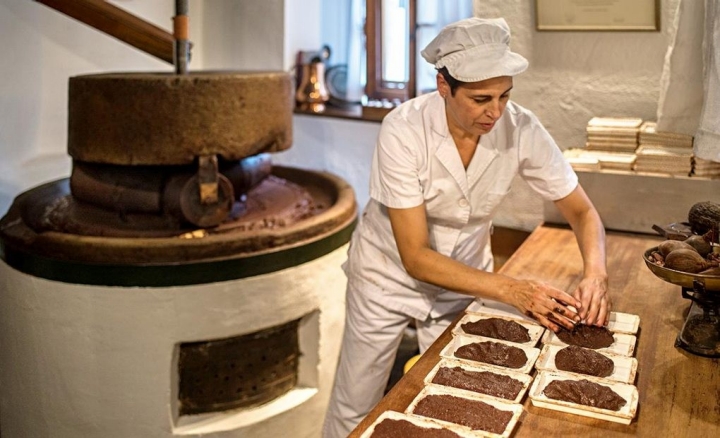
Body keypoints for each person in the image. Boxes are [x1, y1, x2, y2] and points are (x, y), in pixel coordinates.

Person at [322, 17, 609, 438]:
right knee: (357, 403)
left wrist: (595, 274)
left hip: (465, 279)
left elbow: (582, 212)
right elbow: (415, 257)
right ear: (444, 86)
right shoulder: (403, 129)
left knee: (462, 397)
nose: (496, 111)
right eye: (480, 99)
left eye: (505, 95)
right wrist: (514, 290)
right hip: (386, 279)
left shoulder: (520, 128)